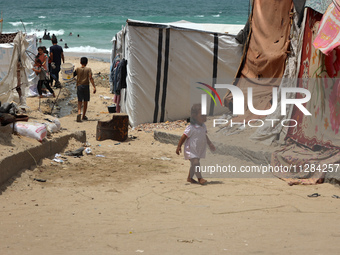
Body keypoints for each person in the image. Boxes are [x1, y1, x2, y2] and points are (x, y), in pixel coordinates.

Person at [176, 104, 215, 185]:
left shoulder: (203, 126)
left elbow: (204, 135)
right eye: (202, 115)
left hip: (199, 149)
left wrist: (210, 144)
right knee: (196, 163)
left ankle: (189, 178)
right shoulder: (191, 127)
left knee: (194, 164)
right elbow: (184, 136)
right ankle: (200, 178)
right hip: (191, 149)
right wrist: (179, 146)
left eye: (205, 115)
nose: (204, 117)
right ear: (194, 116)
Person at [74, 57, 96, 122]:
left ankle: (79, 112)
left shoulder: (78, 69)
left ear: (80, 62)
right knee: (85, 101)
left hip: (79, 86)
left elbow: (72, 75)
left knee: (79, 100)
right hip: (86, 86)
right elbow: (90, 78)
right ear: (87, 62)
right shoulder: (88, 69)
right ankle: (83, 116)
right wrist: (94, 87)